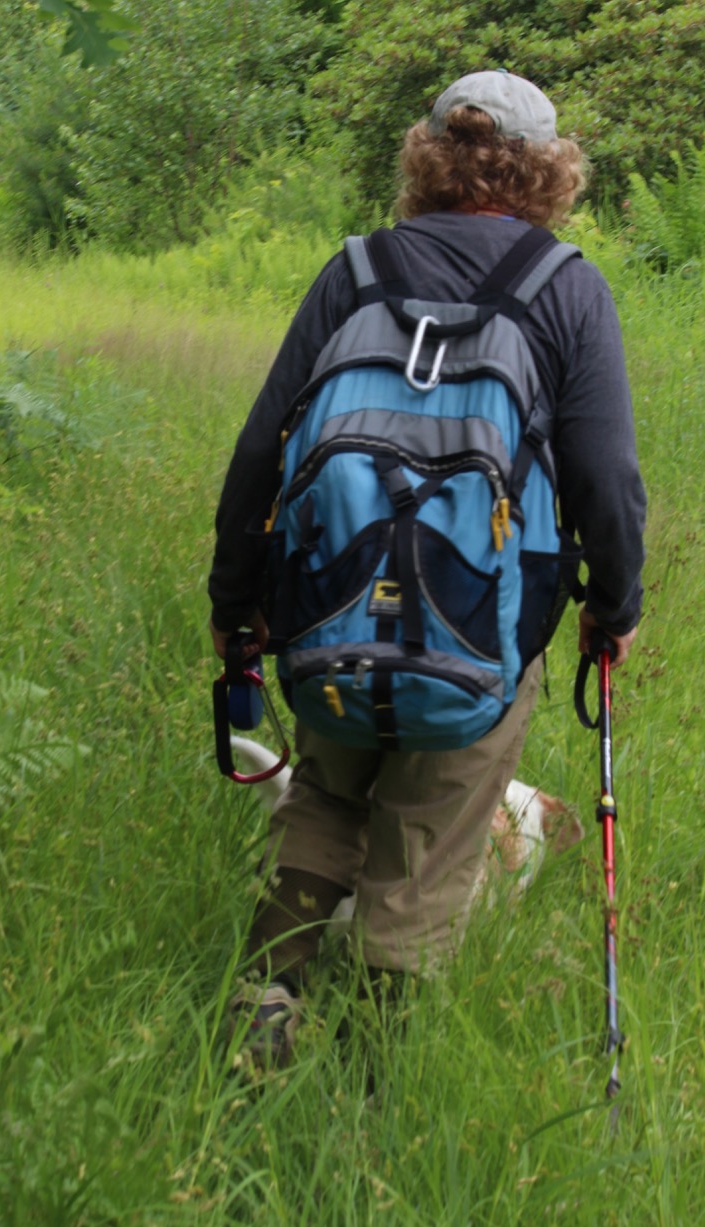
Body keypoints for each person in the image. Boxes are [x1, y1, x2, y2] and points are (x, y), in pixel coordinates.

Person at [208, 70, 646, 1064]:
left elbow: (257, 451)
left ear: (428, 157)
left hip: (329, 613)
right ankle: (366, 1094)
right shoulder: (564, 285)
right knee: (426, 834)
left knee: (324, 799)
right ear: (544, 170)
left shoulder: (355, 271)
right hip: (479, 636)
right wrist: (612, 605)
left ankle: (263, 1010)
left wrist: (238, 605)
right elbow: (606, 476)